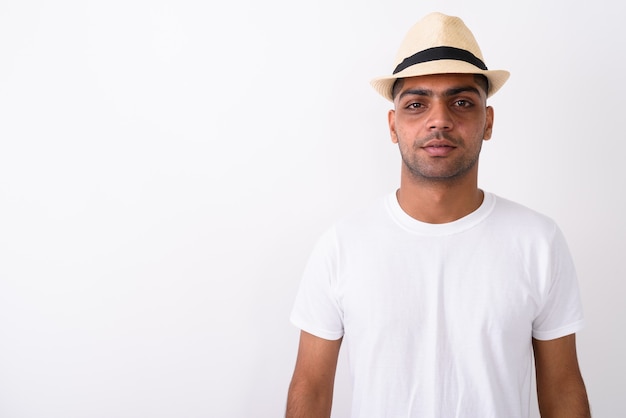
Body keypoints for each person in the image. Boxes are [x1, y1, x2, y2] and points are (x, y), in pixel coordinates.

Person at [285, 11, 591, 418]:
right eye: (416, 104)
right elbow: (311, 387)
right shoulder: (342, 246)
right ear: (393, 125)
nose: (440, 120)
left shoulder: (538, 241)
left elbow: (562, 387)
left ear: (488, 121)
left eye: (462, 102)